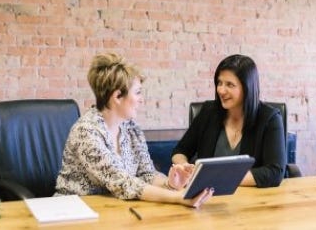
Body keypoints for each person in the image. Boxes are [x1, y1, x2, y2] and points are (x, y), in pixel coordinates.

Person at [55, 52, 213, 207]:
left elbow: (146, 174)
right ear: (117, 96)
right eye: (137, 92)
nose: (141, 99)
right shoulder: (86, 132)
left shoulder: (132, 129)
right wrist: (177, 197)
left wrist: (169, 183)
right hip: (73, 212)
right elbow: (124, 184)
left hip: (115, 210)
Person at [171, 54, 286, 188]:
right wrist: (183, 166)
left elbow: (275, 172)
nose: (221, 90)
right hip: (207, 197)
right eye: (219, 83)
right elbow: (180, 151)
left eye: (230, 85)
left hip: (253, 200)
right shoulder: (208, 112)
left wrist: (217, 177)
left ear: (247, 88)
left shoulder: (269, 119)